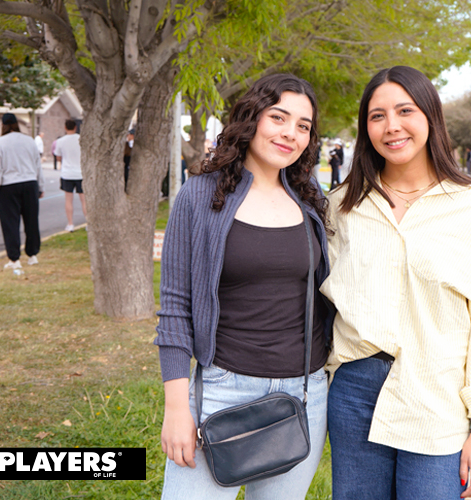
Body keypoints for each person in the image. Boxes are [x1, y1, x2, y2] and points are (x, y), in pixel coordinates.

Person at [320, 66, 471, 500]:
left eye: (404, 110)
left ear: (430, 115)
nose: (392, 126)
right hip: (354, 393)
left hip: (437, 399)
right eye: (377, 116)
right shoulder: (341, 207)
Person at [154, 73, 332, 499]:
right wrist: (177, 408)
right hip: (221, 391)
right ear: (252, 118)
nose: (290, 133)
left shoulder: (310, 200)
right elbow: (175, 307)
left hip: (304, 394)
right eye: (279, 117)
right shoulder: (199, 196)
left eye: (303, 126)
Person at [0, 113, 44, 269]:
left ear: (3, 125)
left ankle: (14, 259)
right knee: (32, 220)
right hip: (30, 183)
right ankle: (32, 255)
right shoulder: (29, 140)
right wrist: (41, 186)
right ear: (17, 124)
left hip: (8, 185)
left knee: (10, 223)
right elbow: (37, 165)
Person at [55, 119, 87, 232]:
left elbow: (58, 157)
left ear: (65, 127)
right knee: (84, 200)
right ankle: (88, 223)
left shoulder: (60, 141)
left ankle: (70, 224)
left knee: (68, 200)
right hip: (80, 173)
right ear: (75, 127)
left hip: (67, 174)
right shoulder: (81, 139)